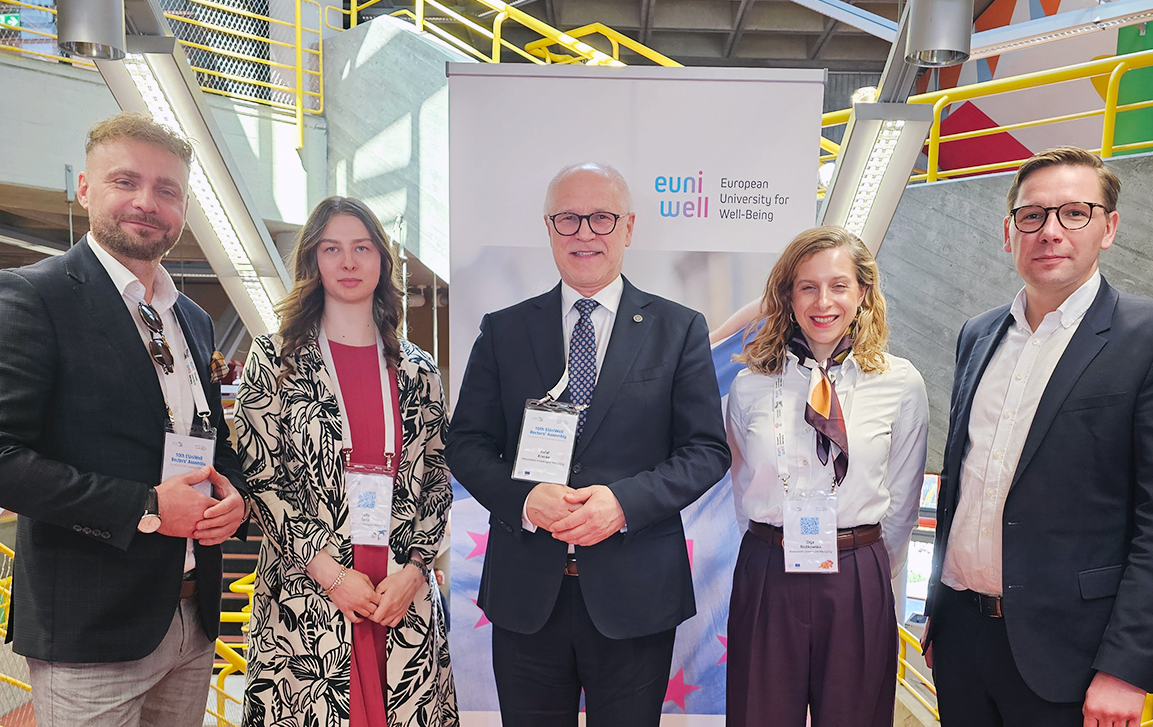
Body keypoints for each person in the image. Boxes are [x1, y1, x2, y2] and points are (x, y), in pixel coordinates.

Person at [922, 146, 1153, 727]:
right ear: (1008, 232)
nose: (1050, 231)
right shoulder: (978, 334)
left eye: (1075, 213)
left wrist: (1126, 667)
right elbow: (965, 484)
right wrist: (937, 612)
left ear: (1109, 228)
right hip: (961, 643)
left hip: (1073, 658)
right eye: (1032, 216)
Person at [446, 162, 731, 726]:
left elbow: (706, 450)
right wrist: (525, 499)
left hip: (635, 595)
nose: (584, 233)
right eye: (568, 219)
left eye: (600, 218)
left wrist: (622, 504)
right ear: (549, 229)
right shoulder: (504, 331)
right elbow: (467, 444)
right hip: (526, 595)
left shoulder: (678, 329)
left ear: (628, 227)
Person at [0, 111, 248, 727]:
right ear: (85, 188)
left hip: (192, 617)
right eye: (125, 182)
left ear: (184, 207)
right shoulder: (34, 297)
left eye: (167, 190)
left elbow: (205, 438)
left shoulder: (189, 316)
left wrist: (233, 494)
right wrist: (148, 505)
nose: (147, 203)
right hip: (92, 628)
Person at [236, 196, 457, 727]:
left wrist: (415, 571)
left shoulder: (418, 370)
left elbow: (438, 477)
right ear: (313, 260)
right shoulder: (275, 360)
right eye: (332, 249)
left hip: (400, 594)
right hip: (309, 598)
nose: (349, 262)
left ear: (381, 260)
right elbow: (263, 479)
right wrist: (332, 577)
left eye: (362, 248)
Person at [724, 226, 929, 727]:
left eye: (839, 285)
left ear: (863, 293)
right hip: (768, 568)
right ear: (787, 297)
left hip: (858, 572)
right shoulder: (749, 385)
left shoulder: (900, 382)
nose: (823, 302)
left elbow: (903, 499)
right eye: (807, 286)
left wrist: (874, 571)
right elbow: (740, 482)